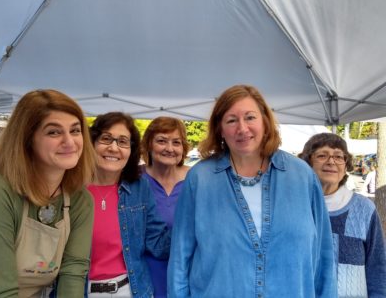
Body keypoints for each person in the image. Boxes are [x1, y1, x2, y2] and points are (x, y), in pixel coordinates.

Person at [168, 84, 337, 297]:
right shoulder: (200, 179)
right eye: (231, 120)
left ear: (265, 122)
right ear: (220, 128)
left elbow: (324, 257)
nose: (242, 128)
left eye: (250, 117)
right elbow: (180, 260)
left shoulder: (302, 176)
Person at [0, 89, 96, 297]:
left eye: (75, 130)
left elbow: (72, 272)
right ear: (27, 140)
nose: (70, 142)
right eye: (54, 132)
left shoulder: (80, 200)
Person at [87, 112, 171, 298]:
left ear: (131, 150)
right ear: (92, 143)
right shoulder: (72, 187)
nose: (114, 148)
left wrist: (192, 220)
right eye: (106, 138)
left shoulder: (140, 187)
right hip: (80, 291)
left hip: (131, 290)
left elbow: (157, 243)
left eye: (123, 141)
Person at [299, 132, 386, 297]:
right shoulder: (295, 206)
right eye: (322, 155)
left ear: (346, 165)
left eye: (339, 156)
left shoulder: (364, 209)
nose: (331, 161)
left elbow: (378, 266)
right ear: (307, 163)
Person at [140, 116, 190, 298]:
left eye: (176, 142)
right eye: (162, 141)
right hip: (145, 276)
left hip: (187, 273)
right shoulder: (133, 180)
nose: (170, 148)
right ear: (149, 145)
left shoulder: (196, 179)